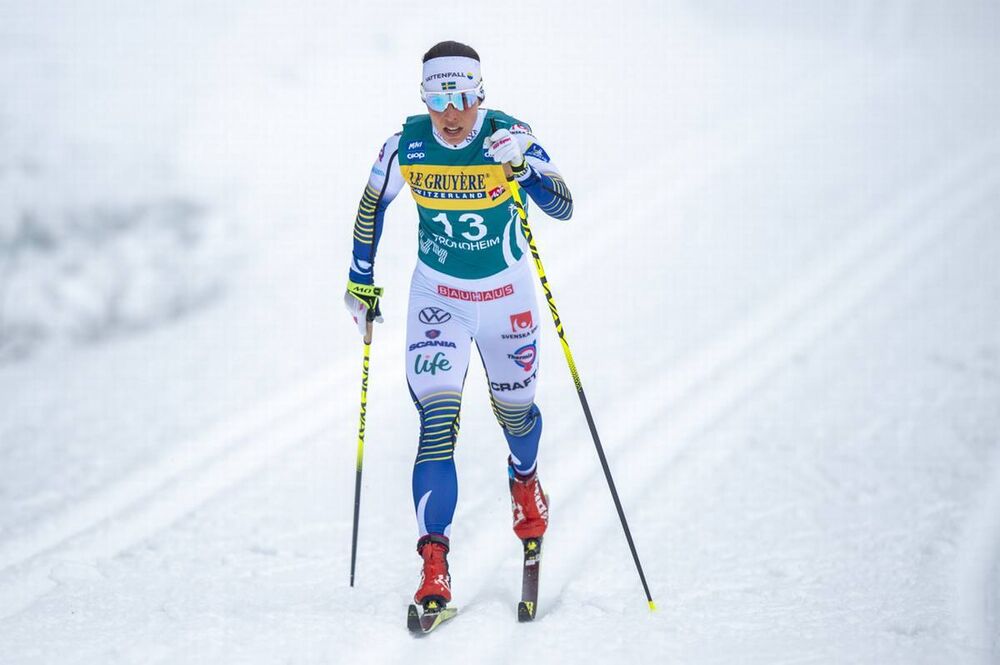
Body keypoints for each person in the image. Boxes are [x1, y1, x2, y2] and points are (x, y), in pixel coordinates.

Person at [343, 40, 573, 611]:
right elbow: (372, 204)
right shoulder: (406, 145)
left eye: (462, 97)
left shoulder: (508, 134)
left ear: (479, 93)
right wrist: (359, 279)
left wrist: (525, 169)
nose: (449, 113)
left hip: (506, 297)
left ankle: (525, 480)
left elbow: (564, 206)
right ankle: (434, 564)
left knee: (515, 414)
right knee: (437, 423)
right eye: (436, 98)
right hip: (437, 300)